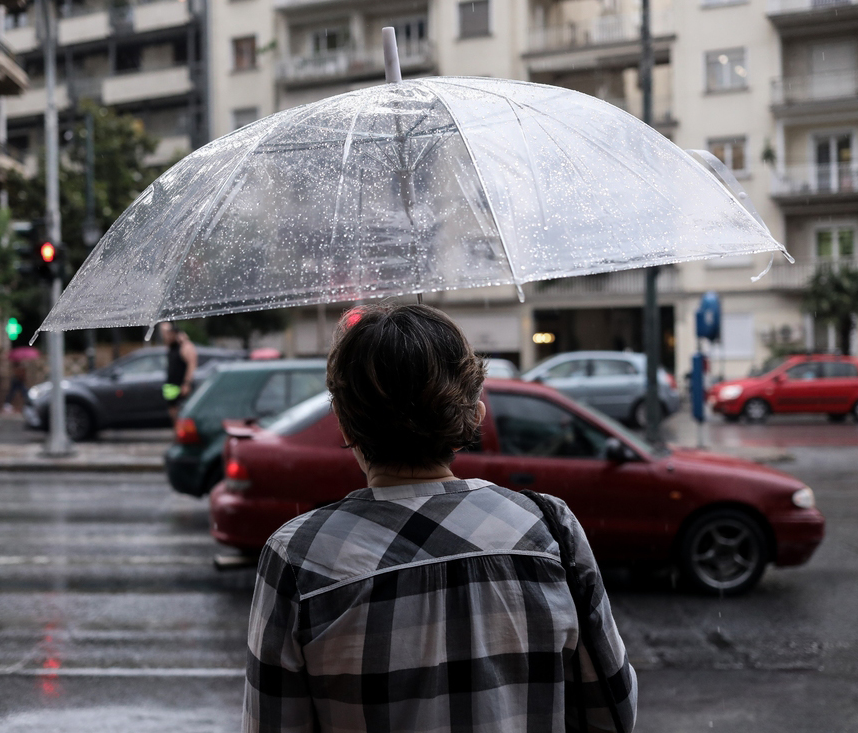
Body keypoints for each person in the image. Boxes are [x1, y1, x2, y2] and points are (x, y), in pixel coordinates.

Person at [244, 302, 636, 733]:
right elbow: (613, 710)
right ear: (475, 414)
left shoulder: (298, 558)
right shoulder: (549, 529)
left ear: (343, 423)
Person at [161, 322, 197, 440]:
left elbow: (192, 363)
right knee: (172, 411)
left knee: (183, 413)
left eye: (168, 333)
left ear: (175, 333)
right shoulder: (170, 346)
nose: (165, 336)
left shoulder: (184, 346)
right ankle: (177, 434)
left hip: (181, 385)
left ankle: (183, 436)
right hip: (170, 385)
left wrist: (187, 383)